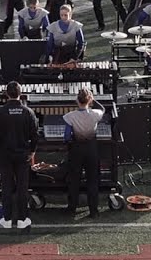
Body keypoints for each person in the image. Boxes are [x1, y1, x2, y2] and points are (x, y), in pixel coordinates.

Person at [0, 81, 38, 230]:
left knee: (7, 186)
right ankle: (23, 219)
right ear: (20, 93)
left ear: (6, 94)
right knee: (23, 187)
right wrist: (32, 151)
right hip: (22, 155)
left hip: (5, 155)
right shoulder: (28, 112)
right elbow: (35, 135)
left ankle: (7, 218)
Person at [62, 86, 106, 218]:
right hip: (92, 149)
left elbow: (67, 136)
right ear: (90, 100)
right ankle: (94, 210)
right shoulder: (96, 114)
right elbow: (103, 109)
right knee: (93, 180)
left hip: (76, 150)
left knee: (74, 179)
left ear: (77, 100)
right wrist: (94, 100)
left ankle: (72, 208)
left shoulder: (70, 116)